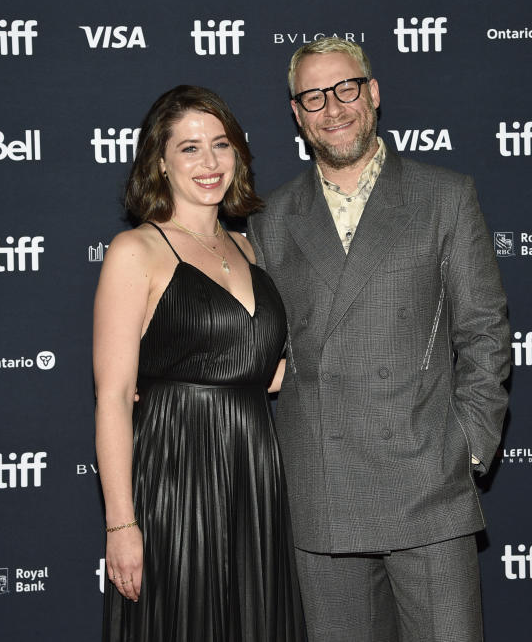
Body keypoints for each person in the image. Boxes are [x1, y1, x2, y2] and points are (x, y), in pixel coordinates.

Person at [247, 38, 510, 642]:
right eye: (314, 97)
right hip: (322, 485)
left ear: (373, 93)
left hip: (427, 481)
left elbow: (485, 333)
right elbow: (260, 345)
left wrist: (467, 446)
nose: (333, 108)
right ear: (297, 113)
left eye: (345, 89)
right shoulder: (271, 218)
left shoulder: (444, 197)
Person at [93, 85, 306, 642]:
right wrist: (121, 523)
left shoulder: (251, 250)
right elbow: (114, 395)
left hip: (254, 471)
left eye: (220, 144)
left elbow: (264, 367)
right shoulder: (136, 251)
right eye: (189, 148)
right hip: (175, 472)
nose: (209, 162)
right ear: (159, 162)